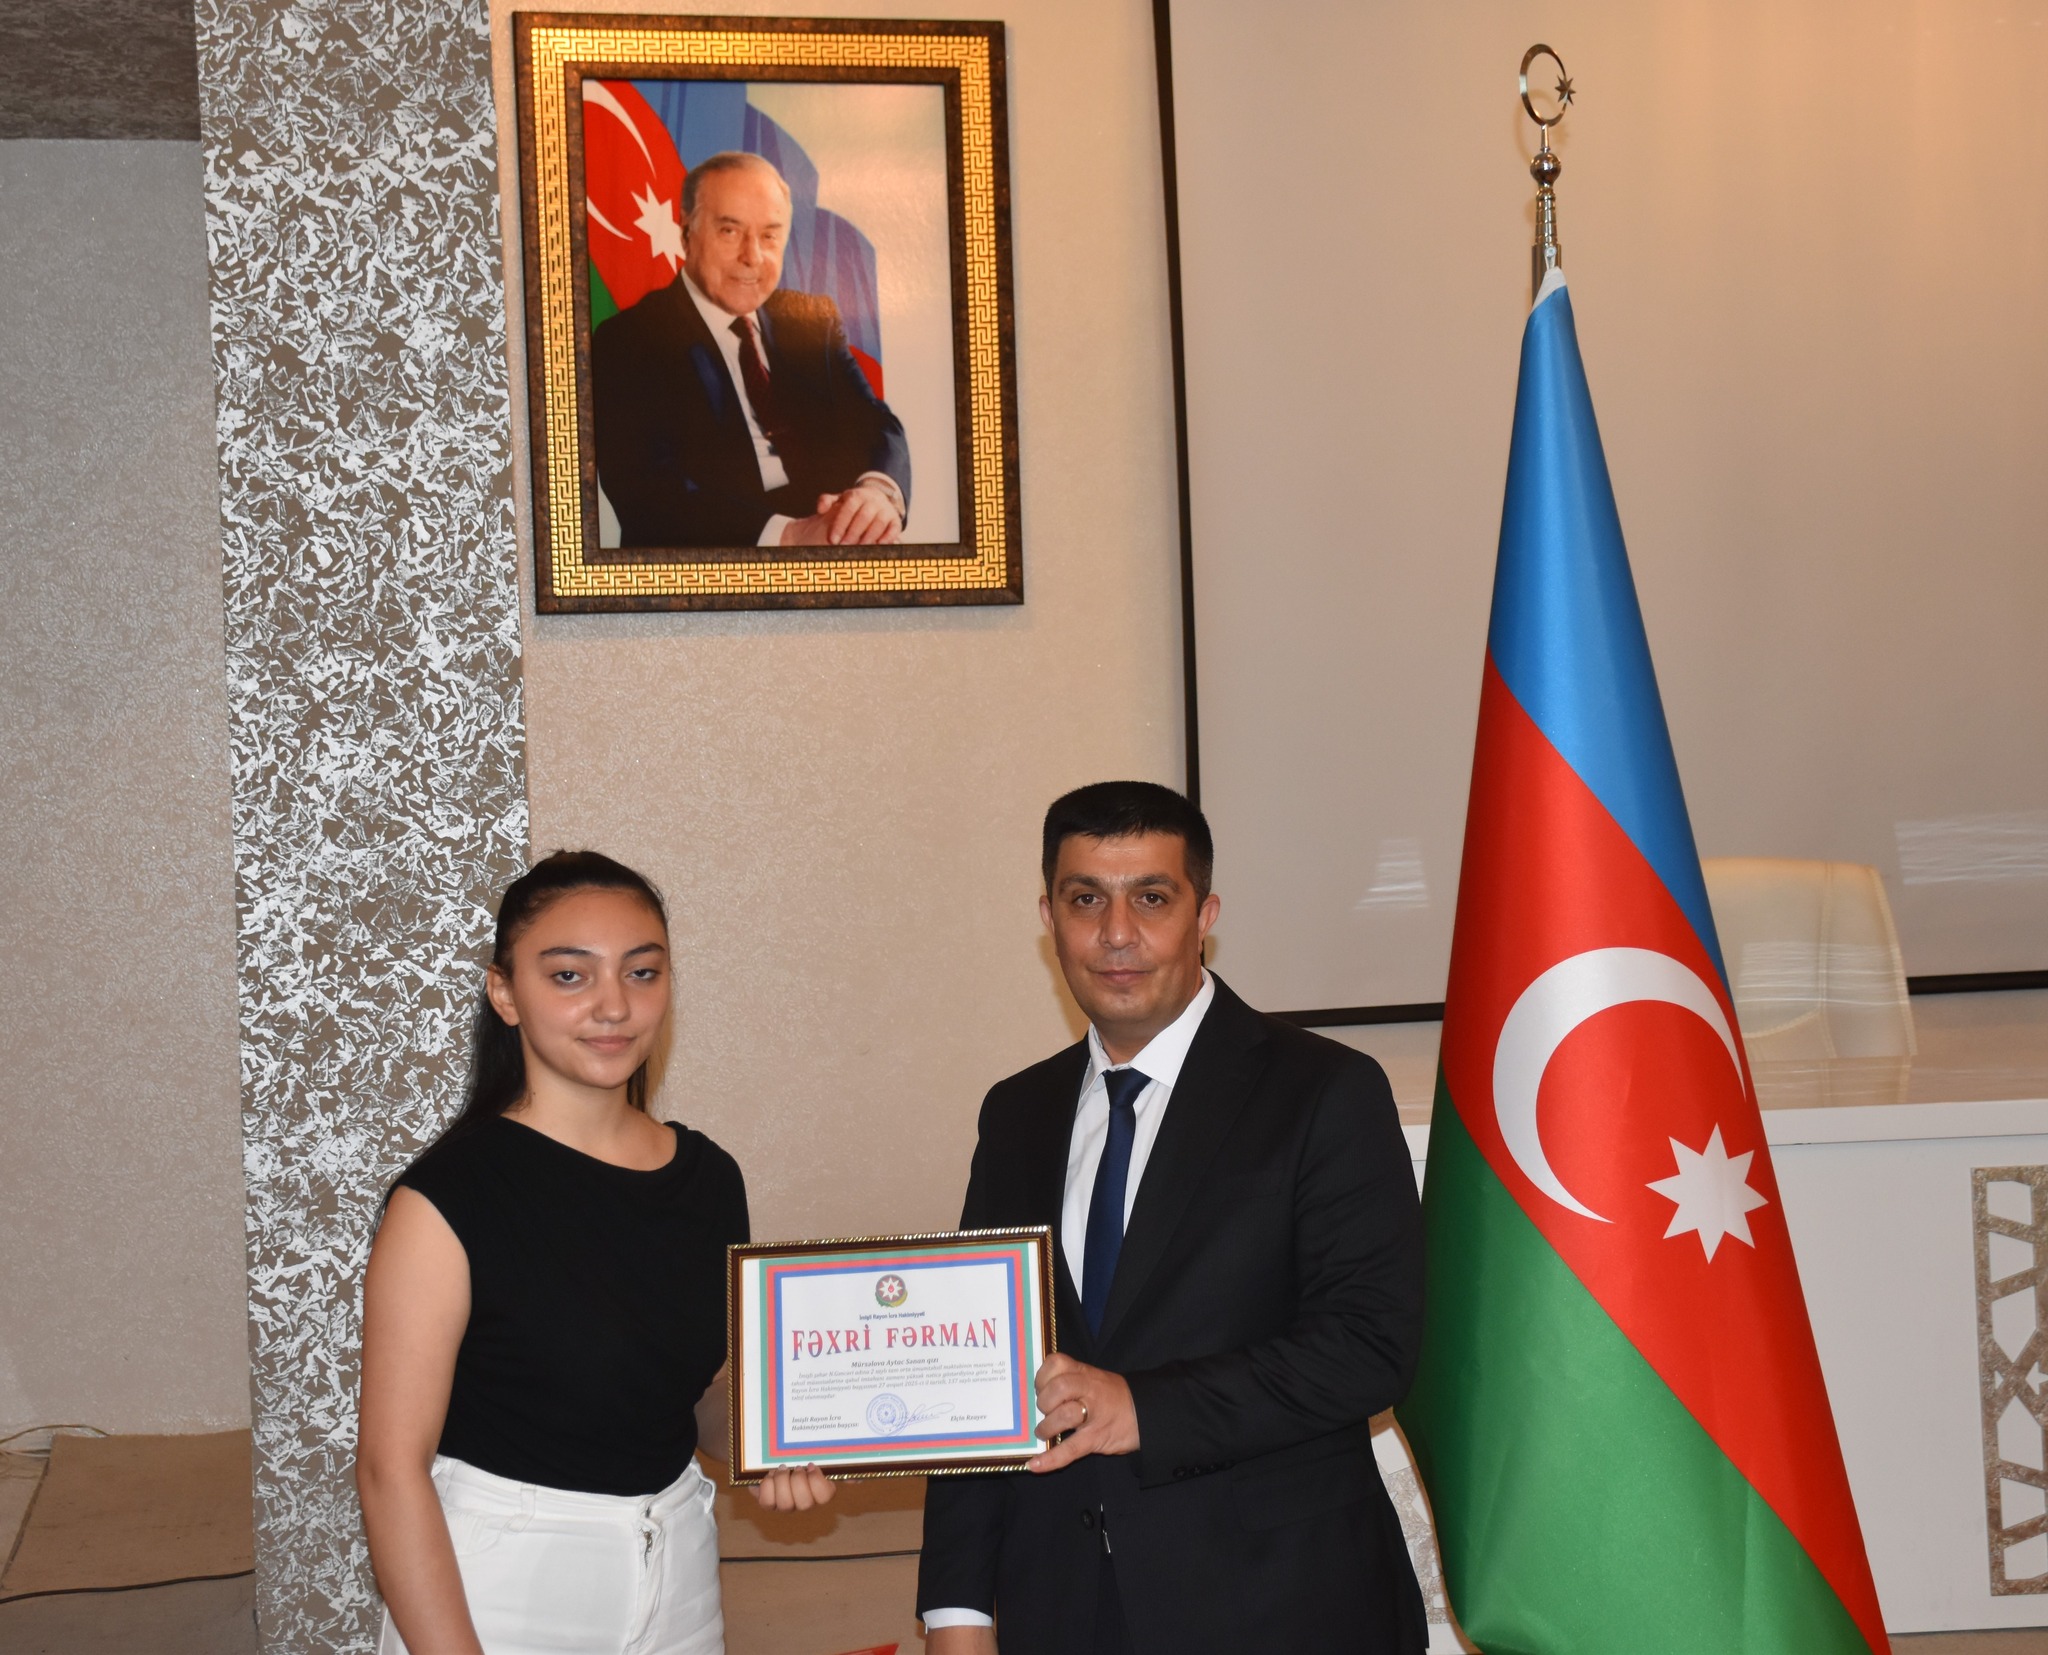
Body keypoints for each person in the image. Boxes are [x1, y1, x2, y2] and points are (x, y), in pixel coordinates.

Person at [916, 783, 1428, 1655]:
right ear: (1049, 918)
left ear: (1205, 916)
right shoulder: (1016, 1113)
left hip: (1284, 1608)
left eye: (1151, 897)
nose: (1117, 933)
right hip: (1063, 1611)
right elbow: (980, 1372)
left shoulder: (1325, 1091)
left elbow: (1370, 1346)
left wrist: (1144, 1408)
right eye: (1086, 899)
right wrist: (956, 1612)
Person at [358, 850, 831, 1655]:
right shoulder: (448, 1196)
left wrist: (777, 1441)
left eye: (642, 972)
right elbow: (388, 1470)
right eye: (570, 976)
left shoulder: (710, 1177)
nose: (614, 1005)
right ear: (505, 992)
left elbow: (695, 1403)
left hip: (679, 1576)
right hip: (502, 1587)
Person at [591, 151, 912, 552]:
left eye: (769, 236)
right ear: (686, 231)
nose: (752, 257)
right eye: (730, 231)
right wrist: (789, 535)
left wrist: (877, 494)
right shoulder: (626, 339)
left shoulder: (811, 321)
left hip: (835, 546)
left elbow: (874, 422)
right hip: (712, 568)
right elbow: (646, 493)